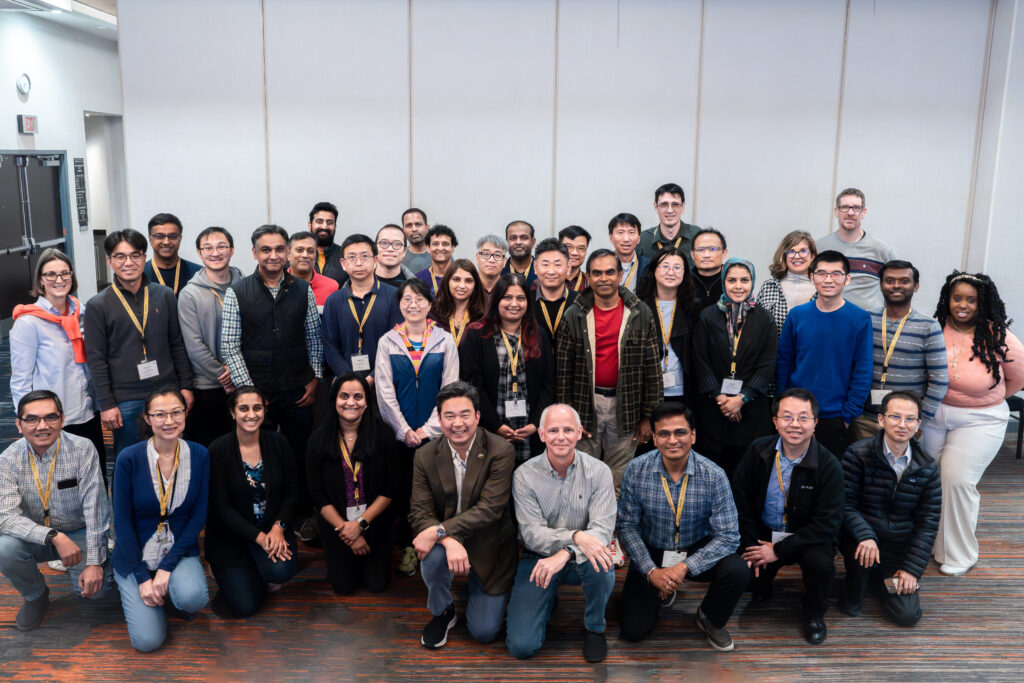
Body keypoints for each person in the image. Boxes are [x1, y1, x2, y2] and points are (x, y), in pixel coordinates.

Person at [617, 402, 749, 651]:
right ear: (654, 438)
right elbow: (626, 526)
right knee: (633, 630)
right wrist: (650, 571)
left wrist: (684, 567)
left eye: (680, 432)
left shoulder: (714, 475)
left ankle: (710, 617)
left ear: (693, 435)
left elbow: (729, 536)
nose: (673, 440)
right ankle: (661, 586)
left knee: (737, 569)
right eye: (664, 434)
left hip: (695, 551)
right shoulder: (636, 470)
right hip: (652, 552)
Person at [220, 224, 322, 539]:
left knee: (300, 453)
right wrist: (250, 392)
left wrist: (315, 376)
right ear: (255, 253)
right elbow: (229, 345)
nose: (273, 255)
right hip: (257, 390)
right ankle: (264, 516)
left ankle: (302, 515)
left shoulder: (303, 289)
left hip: (297, 388)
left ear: (287, 252)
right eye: (266, 249)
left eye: (279, 249)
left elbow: (314, 339)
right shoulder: (237, 291)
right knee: (260, 456)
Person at [921, 271, 1024, 576]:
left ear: (983, 303)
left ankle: (958, 553)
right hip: (934, 414)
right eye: (957, 298)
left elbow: (1018, 378)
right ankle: (925, 543)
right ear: (947, 300)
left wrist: (984, 397)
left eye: (971, 300)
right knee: (927, 479)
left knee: (956, 479)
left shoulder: (999, 335)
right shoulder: (934, 327)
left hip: (981, 419)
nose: (962, 305)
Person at [408, 382, 517, 649]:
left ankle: (494, 591)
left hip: (488, 541)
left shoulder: (500, 450)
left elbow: (490, 508)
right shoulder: (425, 455)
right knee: (431, 554)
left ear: (478, 416)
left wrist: (439, 531)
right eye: (449, 416)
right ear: (439, 418)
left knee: (484, 632)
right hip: (448, 539)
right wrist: (446, 538)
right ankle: (443, 611)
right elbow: (419, 512)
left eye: (465, 415)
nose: (458, 423)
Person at [732, 388, 845, 645]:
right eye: (787, 417)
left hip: (807, 538)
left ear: (815, 423)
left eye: (803, 418)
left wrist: (779, 550)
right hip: (764, 533)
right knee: (746, 577)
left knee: (820, 564)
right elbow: (740, 502)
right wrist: (752, 546)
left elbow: (828, 525)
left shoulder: (829, 465)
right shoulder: (757, 451)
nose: (795, 424)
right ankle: (762, 584)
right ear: (775, 421)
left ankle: (815, 613)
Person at [505, 404, 617, 663]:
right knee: (522, 646)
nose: (561, 436)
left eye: (568, 430)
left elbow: (601, 531)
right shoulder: (524, 475)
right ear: (542, 434)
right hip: (538, 557)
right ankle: (546, 599)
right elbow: (532, 534)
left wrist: (567, 552)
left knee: (602, 562)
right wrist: (576, 537)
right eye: (553, 430)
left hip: (584, 555)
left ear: (579, 433)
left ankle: (594, 626)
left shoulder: (599, 472)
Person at [0, 391, 113, 631]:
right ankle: (36, 596)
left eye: (50, 417)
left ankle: (100, 560)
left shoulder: (83, 449)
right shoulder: (8, 459)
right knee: (4, 547)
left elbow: (97, 508)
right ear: (19, 425)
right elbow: (5, 517)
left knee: (98, 593)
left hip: (78, 531)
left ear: (62, 419)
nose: (42, 426)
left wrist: (94, 561)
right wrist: (53, 536)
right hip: (37, 535)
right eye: (32, 419)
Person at [555, 249, 662, 492]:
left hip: (626, 407)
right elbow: (563, 372)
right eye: (597, 273)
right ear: (589, 277)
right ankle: (585, 527)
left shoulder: (640, 313)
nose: (604, 278)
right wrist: (566, 416)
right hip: (584, 406)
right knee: (582, 472)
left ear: (620, 274)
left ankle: (610, 529)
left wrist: (649, 416)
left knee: (619, 475)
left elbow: (652, 368)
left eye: (610, 272)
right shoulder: (574, 314)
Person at [111, 388, 209, 653]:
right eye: (160, 414)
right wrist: (143, 578)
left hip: (176, 548)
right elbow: (122, 523)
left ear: (185, 413)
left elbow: (197, 516)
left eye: (176, 412)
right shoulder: (129, 458)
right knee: (147, 642)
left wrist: (166, 568)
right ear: (147, 418)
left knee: (194, 598)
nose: (169, 421)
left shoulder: (199, 454)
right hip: (135, 555)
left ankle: (168, 588)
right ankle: (146, 589)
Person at [375, 279, 460, 578]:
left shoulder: (444, 340)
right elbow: (384, 393)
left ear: (430, 303)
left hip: (434, 435)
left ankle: (435, 543)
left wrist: (427, 429)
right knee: (401, 492)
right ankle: (407, 545)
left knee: (435, 491)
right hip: (398, 436)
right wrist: (404, 430)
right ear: (399, 304)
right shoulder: (387, 342)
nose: (413, 304)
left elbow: (450, 389)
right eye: (407, 299)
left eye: (419, 299)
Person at [85, 229, 194, 458]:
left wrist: (186, 386)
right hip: (125, 399)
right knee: (131, 459)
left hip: (167, 392)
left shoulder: (164, 295)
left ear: (144, 258)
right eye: (120, 257)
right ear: (110, 261)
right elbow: (96, 359)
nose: (128, 262)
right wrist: (106, 404)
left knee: (172, 455)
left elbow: (177, 344)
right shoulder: (98, 304)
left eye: (135, 255)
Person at [839, 392, 940, 626]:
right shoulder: (857, 454)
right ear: (881, 419)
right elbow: (845, 505)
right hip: (862, 542)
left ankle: (879, 580)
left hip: (898, 549)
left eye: (910, 419)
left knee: (906, 615)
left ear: (918, 425)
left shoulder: (927, 467)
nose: (902, 424)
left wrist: (911, 570)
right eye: (895, 416)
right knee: (852, 603)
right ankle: (863, 579)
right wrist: (865, 535)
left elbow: (928, 523)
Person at [11, 250, 104, 480]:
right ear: (40, 280)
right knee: (60, 488)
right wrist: (28, 423)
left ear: (72, 276)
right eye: (50, 274)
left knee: (95, 480)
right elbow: (21, 379)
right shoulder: (28, 322)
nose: (59, 280)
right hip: (52, 422)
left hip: (88, 413)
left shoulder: (82, 312)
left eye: (64, 273)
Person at [206, 387, 298, 618]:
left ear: (265, 411)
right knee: (245, 606)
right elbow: (221, 508)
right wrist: (260, 539)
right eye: (243, 408)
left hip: (271, 531)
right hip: (232, 537)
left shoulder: (278, 443)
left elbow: (293, 493)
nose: (251, 414)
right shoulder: (218, 449)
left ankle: (251, 572)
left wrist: (279, 528)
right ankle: (232, 572)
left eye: (257, 408)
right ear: (232, 412)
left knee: (281, 572)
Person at [775, 250, 873, 457]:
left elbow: (863, 369)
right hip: (796, 414)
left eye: (836, 274)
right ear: (812, 277)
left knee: (828, 479)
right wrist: (782, 405)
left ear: (847, 279)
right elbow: (784, 362)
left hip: (836, 416)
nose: (828, 280)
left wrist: (848, 415)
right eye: (822, 273)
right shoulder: (797, 315)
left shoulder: (860, 319)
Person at [308, 374, 399, 594]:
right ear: (334, 400)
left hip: (374, 526)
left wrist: (360, 525)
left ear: (367, 401)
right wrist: (347, 530)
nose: (351, 402)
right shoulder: (319, 439)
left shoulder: (384, 435)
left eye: (358, 396)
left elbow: (390, 488)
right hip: (338, 529)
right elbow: (316, 493)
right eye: (344, 396)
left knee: (377, 585)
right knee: (344, 588)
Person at [692, 259, 778, 478]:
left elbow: (767, 364)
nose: (738, 286)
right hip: (713, 409)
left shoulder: (764, 318)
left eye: (744, 280)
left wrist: (741, 398)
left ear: (752, 282)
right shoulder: (707, 316)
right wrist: (720, 398)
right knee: (712, 473)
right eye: (732, 280)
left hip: (751, 411)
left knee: (746, 477)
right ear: (723, 282)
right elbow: (699, 359)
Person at [460, 274, 554, 463]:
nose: (514, 304)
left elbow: (548, 384)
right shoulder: (477, 334)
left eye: (520, 298)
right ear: (496, 300)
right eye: (507, 297)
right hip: (490, 429)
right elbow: (472, 386)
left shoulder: (538, 334)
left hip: (530, 430)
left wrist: (536, 423)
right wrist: (496, 425)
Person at [849, 260, 948, 441]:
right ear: (881, 284)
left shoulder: (929, 326)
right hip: (864, 419)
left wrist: (920, 422)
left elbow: (939, 381)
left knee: (900, 469)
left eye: (904, 281)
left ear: (916, 286)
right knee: (860, 469)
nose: (896, 286)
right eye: (890, 280)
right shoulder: (866, 319)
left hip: (904, 424)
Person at [178, 227, 244, 447]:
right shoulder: (189, 294)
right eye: (208, 248)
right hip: (208, 386)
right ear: (199, 253)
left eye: (222, 246)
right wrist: (224, 375)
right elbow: (194, 346)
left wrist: (237, 373)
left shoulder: (245, 285)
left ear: (232, 250)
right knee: (212, 448)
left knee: (241, 447)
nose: (215, 252)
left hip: (244, 382)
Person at [322, 234, 401, 380]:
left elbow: (396, 343)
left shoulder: (394, 296)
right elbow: (330, 346)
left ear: (375, 261)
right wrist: (349, 379)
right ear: (343, 264)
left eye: (365, 256)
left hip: (386, 380)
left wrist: (372, 378)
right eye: (352, 257)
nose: (359, 263)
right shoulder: (333, 301)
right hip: (345, 383)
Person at [636, 247, 701, 405]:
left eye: (677, 267)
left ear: (685, 273)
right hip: (648, 390)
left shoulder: (693, 307)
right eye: (665, 266)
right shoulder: (639, 307)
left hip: (684, 389)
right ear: (653, 270)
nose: (671, 272)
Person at [815, 188, 896, 311]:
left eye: (856, 208)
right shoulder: (820, 247)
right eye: (845, 207)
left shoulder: (882, 250)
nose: (850, 212)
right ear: (836, 212)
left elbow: (895, 289)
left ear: (863, 212)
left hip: (870, 324)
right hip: (829, 320)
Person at [755, 230, 818, 335]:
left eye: (803, 251)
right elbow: (756, 326)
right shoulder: (769, 287)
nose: (797, 256)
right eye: (791, 251)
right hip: (773, 351)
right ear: (784, 256)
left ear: (812, 256)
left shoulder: (821, 289)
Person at [531, 238, 577, 353]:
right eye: (545, 265)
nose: (551, 271)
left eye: (557, 265)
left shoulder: (580, 302)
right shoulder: (524, 302)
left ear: (568, 267)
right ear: (535, 267)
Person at [638, 183, 701, 263]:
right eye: (664, 204)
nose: (670, 210)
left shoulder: (697, 235)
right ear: (656, 207)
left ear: (683, 207)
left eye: (675, 204)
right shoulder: (643, 239)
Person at [429, 258, 487, 345]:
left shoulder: (483, 317)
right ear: (447, 282)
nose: (462, 285)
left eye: (468, 281)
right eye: (456, 279)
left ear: (475, 285)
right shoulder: (432, 314)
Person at [142, 213, 202, 297]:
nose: (166, 242)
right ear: (150, 238)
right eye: (160, 236)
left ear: (180, 238)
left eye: (172, 236)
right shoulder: (140, 274)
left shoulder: (198, 273)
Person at [288, 230, 339, 311]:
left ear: (316, 257)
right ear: (288, 254)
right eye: (299, 250)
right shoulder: (276, 284)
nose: (305, 255)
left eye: (310, 251)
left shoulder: (331, 287)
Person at [308, 201, 347, 285]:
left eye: (329, 222)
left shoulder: (345, 256)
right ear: (310, 225)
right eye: (319, 221)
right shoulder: (296, 256)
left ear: (335, 226)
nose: (324, 226)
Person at [608, 213, 648, 293]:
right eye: (620, 232)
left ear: (639, 238)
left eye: (631, 232)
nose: (626, 239)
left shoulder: (648, 266)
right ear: (611, 237)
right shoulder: (601, 264)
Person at [690, 228, 729, 311]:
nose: (706, 255)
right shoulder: (683, 281)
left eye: (713, 249)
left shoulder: (732, 281)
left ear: (724, 253)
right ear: (692, 255)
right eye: (701, 250)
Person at [415, 224, 458, 297]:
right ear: (428, 248)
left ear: (452, 248)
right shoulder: (418, 279)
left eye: (445, 244)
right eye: (435, 244)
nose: (440, 248)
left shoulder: (462, 276)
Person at [375, 224, 417, 289]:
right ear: (375, 249)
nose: (390, 249)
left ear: (404, 251)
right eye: (384, 243)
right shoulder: (357, 282)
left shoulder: (417, 288)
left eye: (397, 244)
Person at [501, 220, 538, 287]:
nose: (518, 242)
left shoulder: (543, 271)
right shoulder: (498, 272)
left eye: (524, 238)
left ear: (533, 242)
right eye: (513, 238)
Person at [559, 225, 591, 292]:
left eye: (580, 248)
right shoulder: (544, 281)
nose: (574, 253)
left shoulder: (591, 284)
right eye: (568, 247)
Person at [474, 234, 508, 299]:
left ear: (504, 261)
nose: (491, 260)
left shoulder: (510, 289)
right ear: (477, 258)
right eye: (486, 254)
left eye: (497, 255)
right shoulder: (468, 286)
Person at [401, 208, 432, 274]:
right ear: (403, 230)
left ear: (427, 228)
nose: (414, 229)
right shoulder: (399, 257)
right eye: (409, 225)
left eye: (418, 224)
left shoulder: (440, 254)